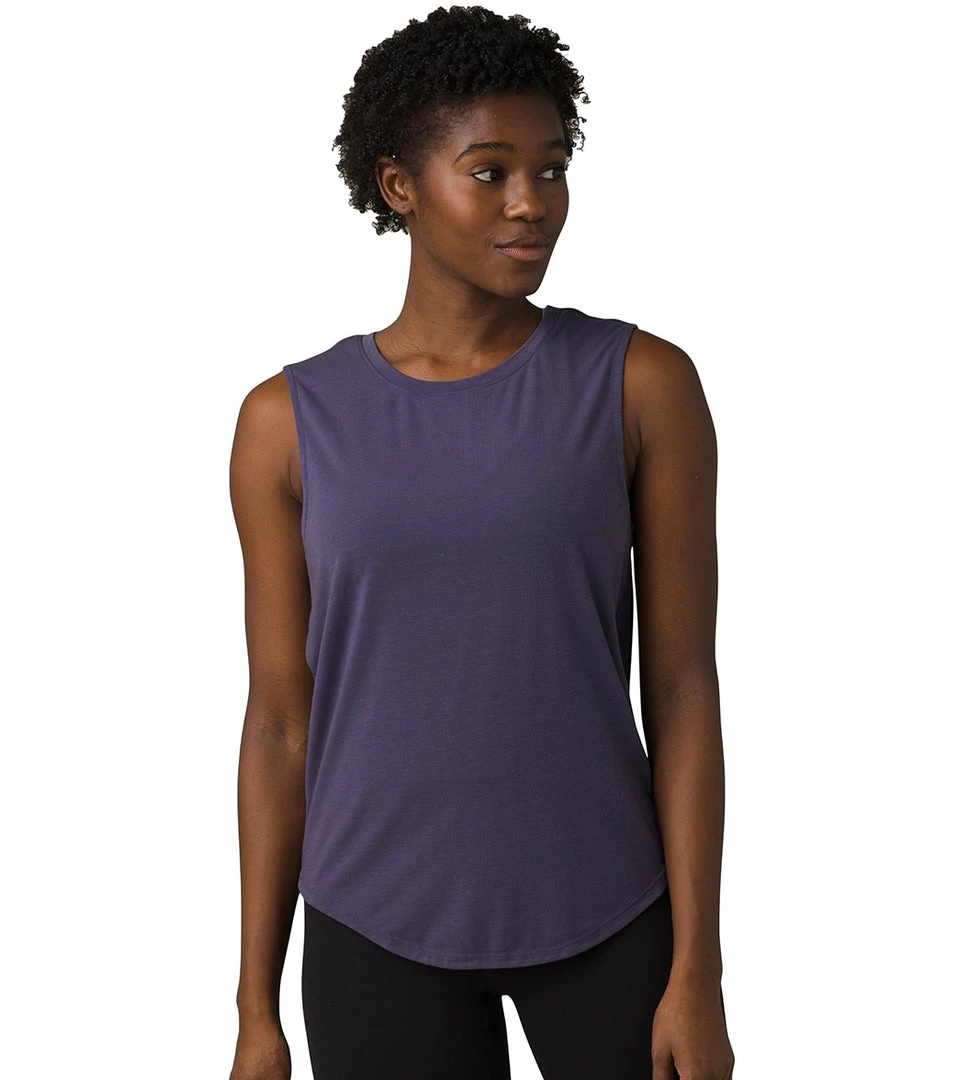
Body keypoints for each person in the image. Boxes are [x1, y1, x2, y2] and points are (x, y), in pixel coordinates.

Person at [228, 6, 734, 1079]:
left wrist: (698, 970)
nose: (529, 202)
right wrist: (254, 1007)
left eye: (550, 169)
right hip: (371, 921)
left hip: (606, 908)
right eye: (489, 171)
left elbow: (682, 686)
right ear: (398, 185)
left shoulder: (640, 385)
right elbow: (278, 724)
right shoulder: (286, 422)